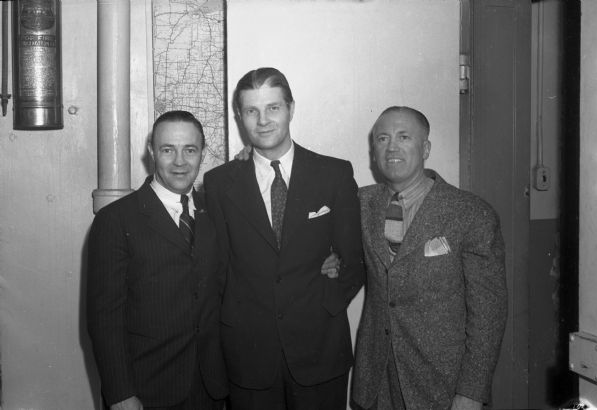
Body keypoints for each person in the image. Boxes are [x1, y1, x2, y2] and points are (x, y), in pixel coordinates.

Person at [203, 67, 365, 410]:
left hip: (320, 352)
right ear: (239, 116)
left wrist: (326, 305)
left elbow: (354, 259)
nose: (262, 120)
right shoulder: (218, 183)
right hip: (248, 356)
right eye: (251, 111)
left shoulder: (334, 174)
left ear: (290, 108)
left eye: (273, 108)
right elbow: (217, 271)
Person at [345, 106, 508, 410]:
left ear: (426, 148)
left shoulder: (471, 214)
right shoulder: (361, 203)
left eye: (403, 137)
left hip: (442, 384)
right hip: (377, 380)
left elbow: (489, 315)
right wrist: (251, 160)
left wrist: (472, 391)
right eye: (382, 139)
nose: (391, 146)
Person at [87, 110, 228, 410]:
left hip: (211, 388)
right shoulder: (116, 219)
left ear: (203, 153)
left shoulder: (215, 212)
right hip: (147, 390)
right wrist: (120, 394)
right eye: (168, 150)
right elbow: (104, 318)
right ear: (152, 152)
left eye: (190, 150)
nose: (180, 161)